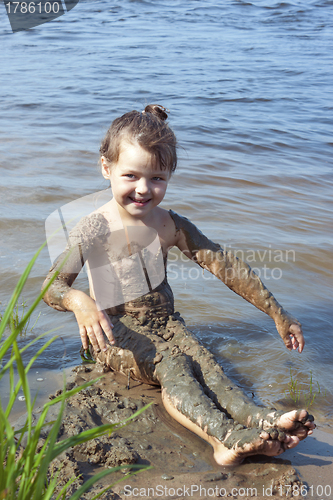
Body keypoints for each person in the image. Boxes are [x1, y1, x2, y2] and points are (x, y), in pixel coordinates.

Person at [42, 104, 315, 466]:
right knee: (174, 367)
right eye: (130, 176)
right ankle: (225, 441)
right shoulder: (94, 229)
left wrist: (278, 314)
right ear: (106, 168)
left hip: (166, 323)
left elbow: (226, 266)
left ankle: (260, 421)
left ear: (170, 175)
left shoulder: (169, 224)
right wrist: (79, 301)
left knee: (206, 364)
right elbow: (52, 287)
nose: (143, 189)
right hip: (116, 334)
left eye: (157, 178)